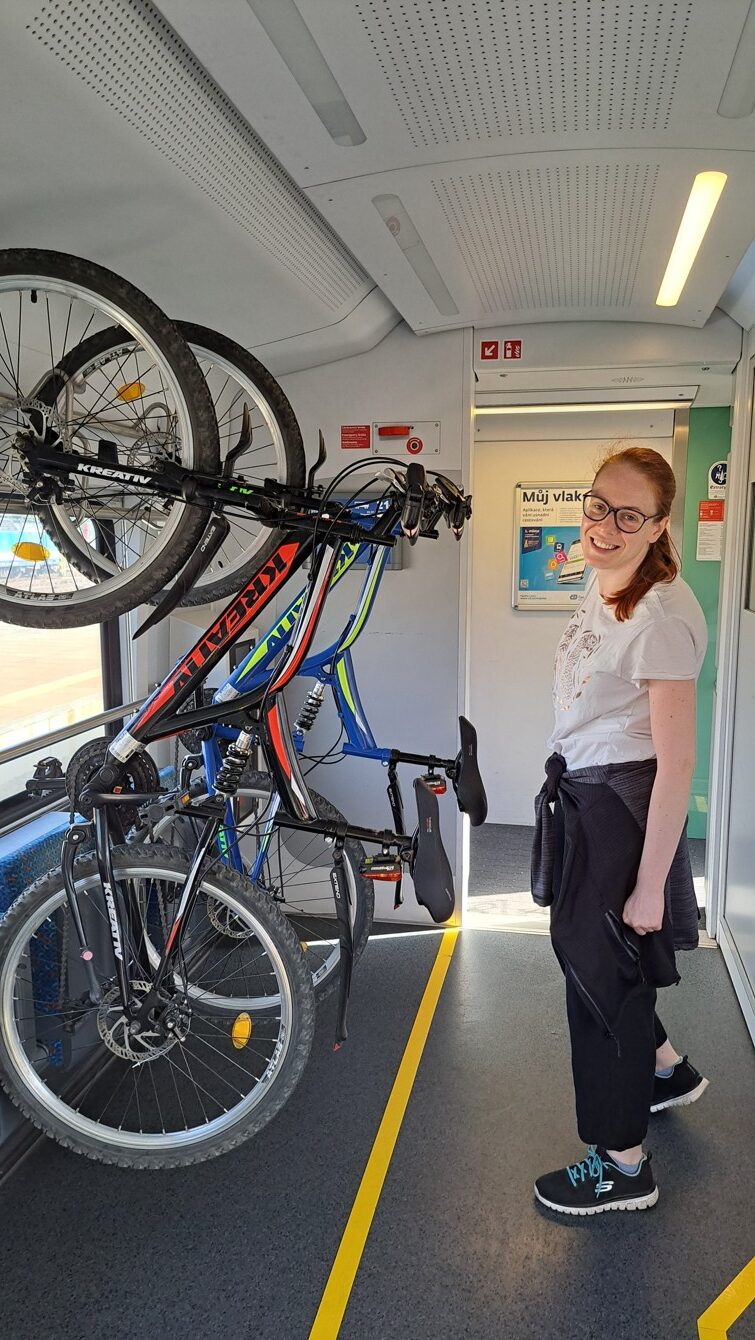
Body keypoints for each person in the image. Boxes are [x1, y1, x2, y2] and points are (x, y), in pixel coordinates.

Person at [530, 444, 709, 1216]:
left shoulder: (661, 618)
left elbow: (677, 764)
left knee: (601, 985)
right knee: (601, 963)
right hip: (585, 793)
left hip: (616, 810)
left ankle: (623, 1166)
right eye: (597, 504)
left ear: (659, 524)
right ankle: (665, 1071)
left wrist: (649, 888)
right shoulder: (606, 578)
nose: (603, 525)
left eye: (627, 515)